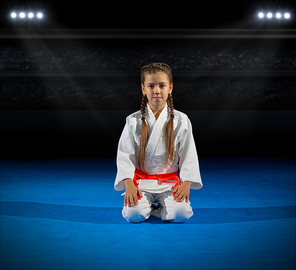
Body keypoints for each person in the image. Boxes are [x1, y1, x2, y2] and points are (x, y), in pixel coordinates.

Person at [114, 63, 203, 223]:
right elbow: (124, 155)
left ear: (170, 88)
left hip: (169, 183)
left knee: (182, 214)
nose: (156, 90)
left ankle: (154, 210)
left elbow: (188, 153)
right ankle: (153, 208)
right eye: (151, 85)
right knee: (133, 216)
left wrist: (187, 182)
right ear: (143, 89)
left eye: (162, 85)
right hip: (141, 182)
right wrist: (128, 184)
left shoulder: (181, 120)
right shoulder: (133, 121)